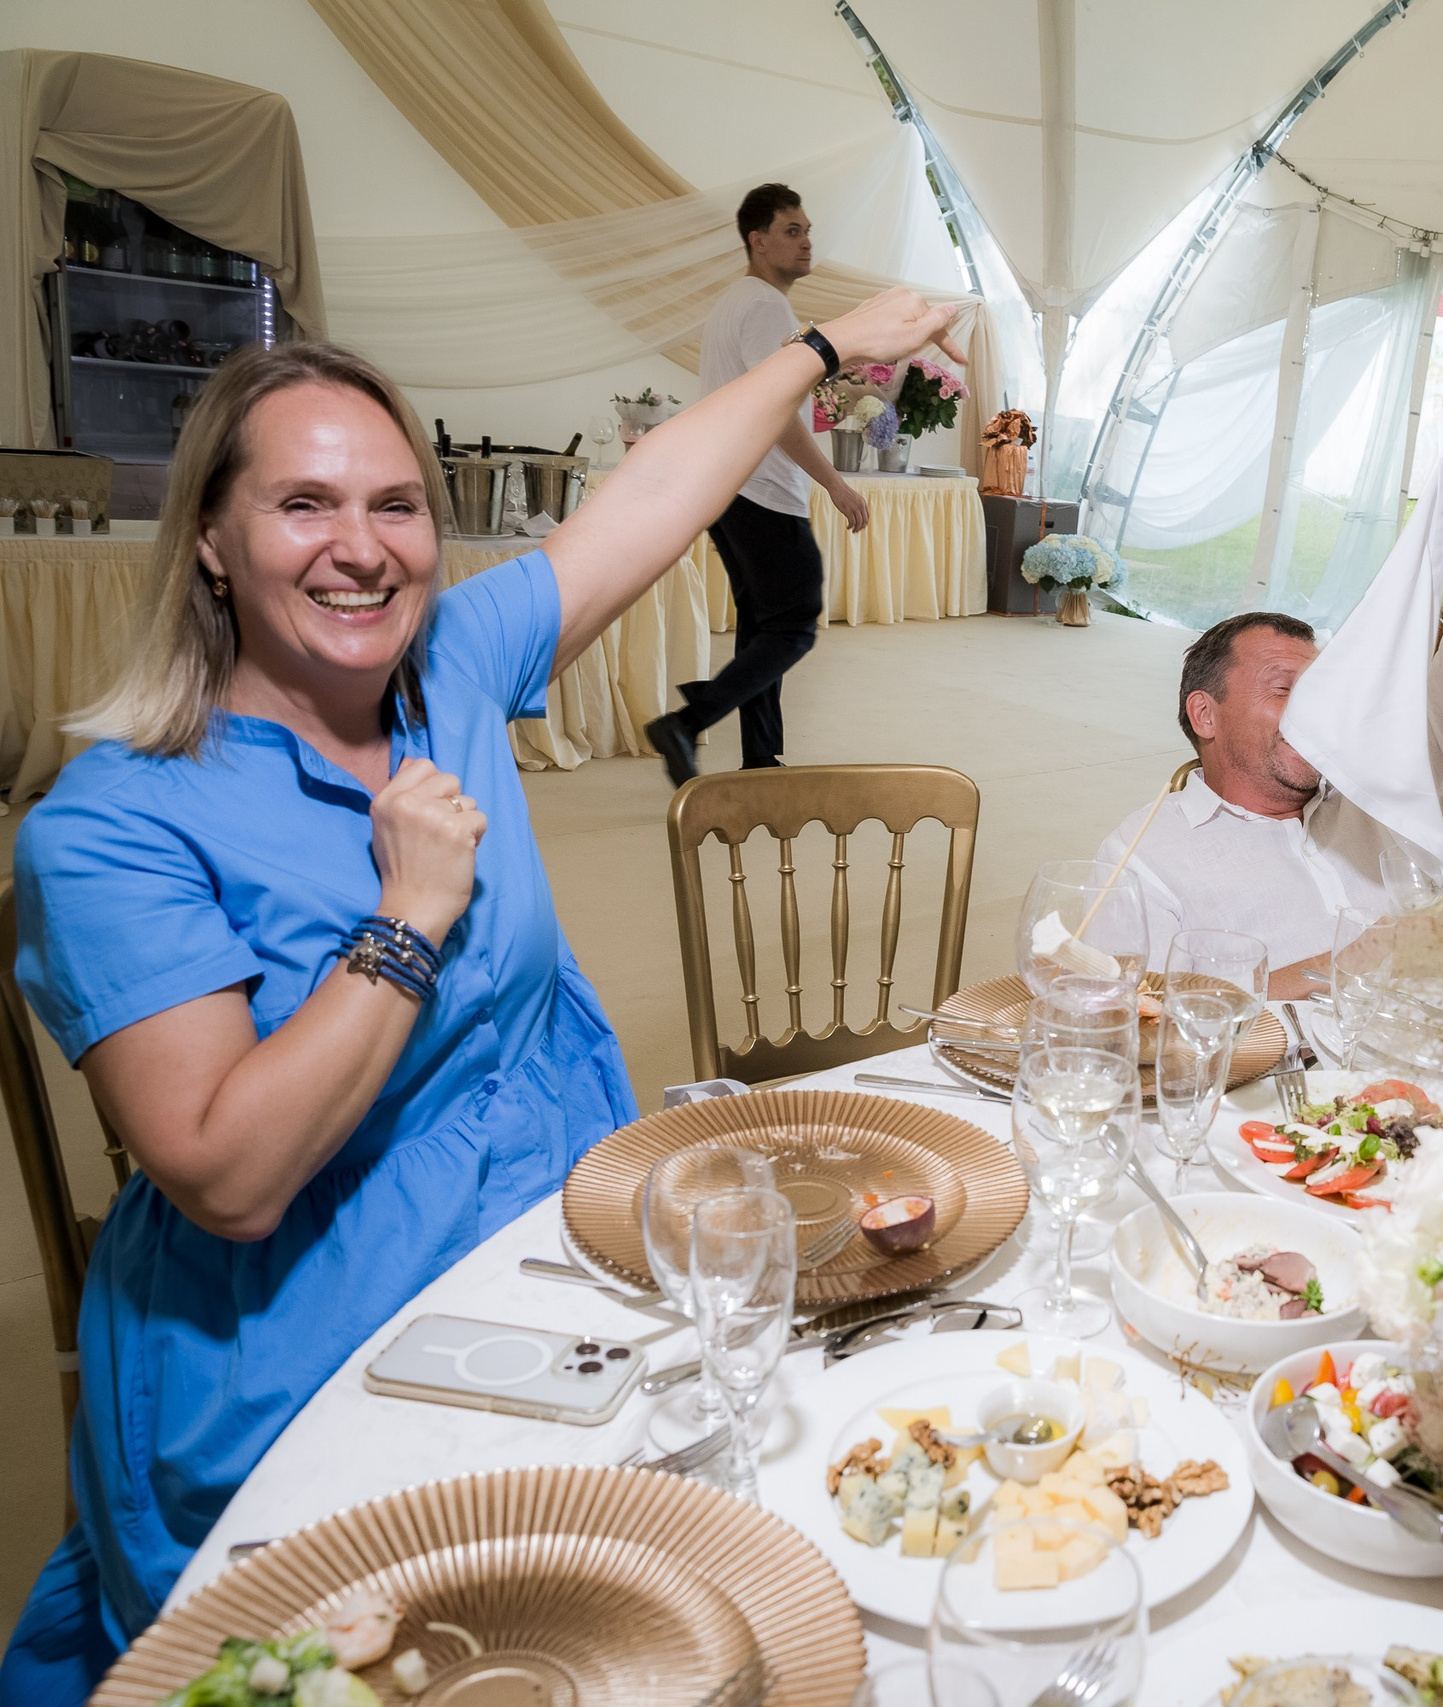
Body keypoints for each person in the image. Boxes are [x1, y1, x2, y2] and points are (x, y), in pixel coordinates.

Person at [1, 295, 962, 1701]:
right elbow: (227, 1171)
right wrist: (410, 914)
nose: (362, 545)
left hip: (555, 1249)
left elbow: (656, 488)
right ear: (210, 539)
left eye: (397, 504)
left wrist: (823, 349)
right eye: (304, 503)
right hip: (313, 1345)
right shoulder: (111, 826)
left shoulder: (448, 660)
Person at [1094, 387, 1443, 994]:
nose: (1314, 708)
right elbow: (1128, 1017)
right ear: (1206, 713)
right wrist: (1341, 965)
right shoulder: (1146, 855)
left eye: (1321, 687)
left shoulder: (1388, 787)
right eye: (1283, 687)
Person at [644, 183, 877, 783]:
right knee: (795, 622)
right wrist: (835, 483)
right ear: (758, 239)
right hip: (759, 492)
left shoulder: (736, 301)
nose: (806, 243)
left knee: (762, 629)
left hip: (729, 487)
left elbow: (779, 403)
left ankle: (761, 759)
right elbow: (775, 414)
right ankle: (689, 720)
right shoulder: (766, 306)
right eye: (792, 231)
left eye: (807, 231)